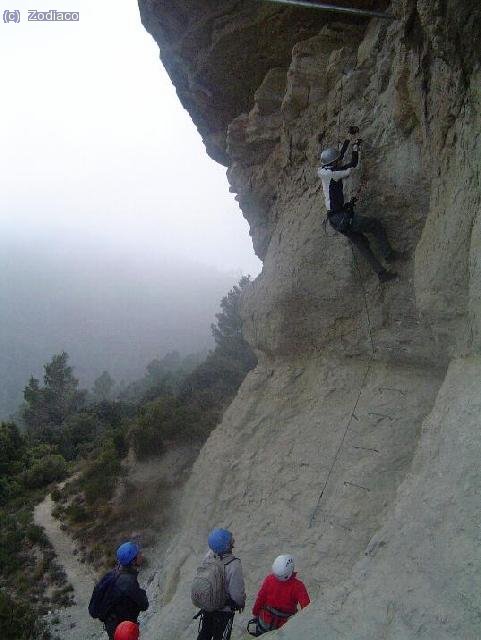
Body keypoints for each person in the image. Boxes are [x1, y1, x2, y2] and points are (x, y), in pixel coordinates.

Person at [318, 130, 402, 282]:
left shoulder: (324, 170)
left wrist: (348, 139)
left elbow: (340, 157)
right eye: (337, 161)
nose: (339, 162)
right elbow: (353, 166)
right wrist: (356, 147)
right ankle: (389, 254)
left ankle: (381, 274)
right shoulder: (333, 173)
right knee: (375, 225)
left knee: (362, 244)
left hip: (336, 219)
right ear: (333, 163)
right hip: (341, 217)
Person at [193, 528, 246, 640]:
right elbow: (237, 594)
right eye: (231, 540)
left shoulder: (208, 558)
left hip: (208, 606)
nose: (233, 541)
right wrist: (240, 603)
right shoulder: (234, 564)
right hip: (224, 611)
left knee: (205, 632)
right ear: (227, 546)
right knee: (221, 637)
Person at [89, 541, 149, 639]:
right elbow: (144, 604)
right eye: (138, 554)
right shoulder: (128, 582)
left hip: (112, 625)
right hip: (123, 629)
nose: (141, 555)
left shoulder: (113, 573)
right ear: (133, 561)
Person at [251, 554, 310, 634]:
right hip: (283, 626)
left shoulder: (269, 579)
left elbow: (260, 599)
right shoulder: (298, 586)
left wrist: (255, 613)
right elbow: (307, 608)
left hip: (264, 622)